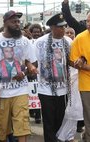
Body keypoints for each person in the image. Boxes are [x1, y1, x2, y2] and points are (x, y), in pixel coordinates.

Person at [0, 10, 38, 142]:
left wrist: (25, 72)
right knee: (2, 126)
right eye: (14, 21)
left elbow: (33, 61)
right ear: (5, 22)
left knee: (22, 122)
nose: (17, 24)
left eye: (18, 21)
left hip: (20, 89)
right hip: (0, 91)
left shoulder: (24, 41)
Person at [33, 13, 73, 142]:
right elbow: (34, 62)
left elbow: (71, 61)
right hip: (46, 89)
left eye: (64, 27)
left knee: (60, 120)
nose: (63, 30)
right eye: (60, 27)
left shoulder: (68, 41)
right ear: (52, 28)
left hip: (63, 89)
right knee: (49, 121)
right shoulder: (40, 42)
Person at [69, 12, 90, 142]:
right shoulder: (80, 38)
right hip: (86, 85)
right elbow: (72, 61)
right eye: (88, 21)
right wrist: (79, 62)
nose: (89, 24)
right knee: (88, 118)